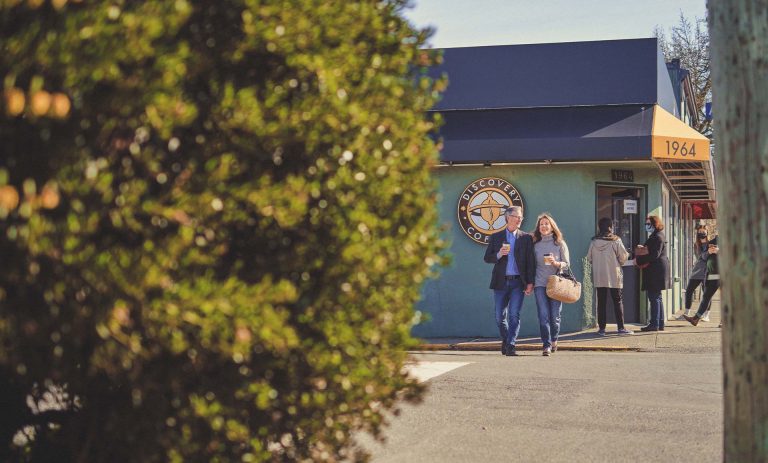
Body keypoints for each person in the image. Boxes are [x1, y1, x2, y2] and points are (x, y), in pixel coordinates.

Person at [484, 206, 536, 357]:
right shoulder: (496, 236)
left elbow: (530, 262)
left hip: (518, 283)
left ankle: (511, 345)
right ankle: (506, 339)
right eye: (516, 216)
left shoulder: (525, 238)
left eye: (521, 217)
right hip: (500, 282)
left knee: (514, 315)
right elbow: (487, 258)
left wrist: (530, 283)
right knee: (499, 317)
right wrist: (499, 254)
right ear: (508, 217)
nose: (519, 219)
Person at [587, 217, 633, 336]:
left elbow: (589, 258)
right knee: (617, 301)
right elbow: (623, 258)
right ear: (610, 227)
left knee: (601, 302)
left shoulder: (594, 241)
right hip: (614, 275)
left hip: (599, 275)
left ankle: (602, 329)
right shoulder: (616, 240)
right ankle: (621, 328)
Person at [531, 213, 570, 356]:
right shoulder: (535, 244)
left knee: (555, 316)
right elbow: (531, 265)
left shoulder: (559, 243)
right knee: (543, 315)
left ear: (552, 227)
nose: (543, 226)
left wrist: (556, 263)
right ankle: (546, 345)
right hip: (540, 283)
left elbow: (567, 264)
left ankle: (554, 340)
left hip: (556, 284)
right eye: (541, 224)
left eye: (546, 224)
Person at [635, 215, 671, 332]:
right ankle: (659, 323)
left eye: (648, 224)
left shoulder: (657, 237)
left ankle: (654, 324)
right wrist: (644, 248)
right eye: (646, 224)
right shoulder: (658, 236)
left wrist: (639, 260)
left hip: (656, 271)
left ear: (655, 224)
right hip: (658, 269)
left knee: (654, 297)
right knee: (657, 297)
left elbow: (654, 254)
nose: (646, 226)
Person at [684, 236, 720, 326]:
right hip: (711, 275)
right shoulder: (713, 243)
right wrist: (708, 252)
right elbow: (702, 257)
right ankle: (696, 319)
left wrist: (719, 252)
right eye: (711, 246)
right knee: (706, 297)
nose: (712, 247)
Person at [678, 225, 712, 321]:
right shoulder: (696, 244)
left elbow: (708, 258)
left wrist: (707, 253)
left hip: (708, 271)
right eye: (700, 232)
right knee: (689, 291)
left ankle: (706, 315)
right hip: (697, 271)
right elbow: (701, 257)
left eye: (703, 232)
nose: (701, 234)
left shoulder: (711, 244)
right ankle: (686, 312)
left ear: (707, 233)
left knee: (707, 294)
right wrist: (707, 253)